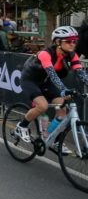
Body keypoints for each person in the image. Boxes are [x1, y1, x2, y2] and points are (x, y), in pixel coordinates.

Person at [15, 26, 88, 154]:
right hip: (30, 80)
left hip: (46, 82)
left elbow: (81, 73)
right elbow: (53, 75)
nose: (72, 44)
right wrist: (64, 89)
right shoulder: (45, 54)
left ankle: (50, 138)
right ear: (57, 42)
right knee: (42, 106)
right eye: (68, 41)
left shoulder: (72, 55)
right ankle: (21, 126)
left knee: (62, 110)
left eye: (74, 41)